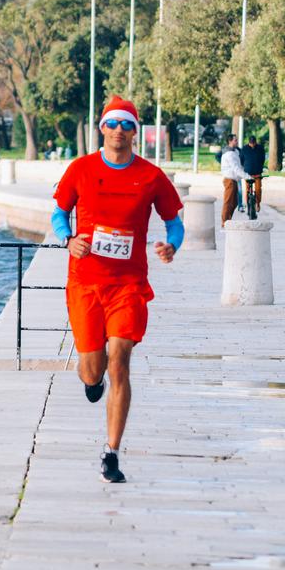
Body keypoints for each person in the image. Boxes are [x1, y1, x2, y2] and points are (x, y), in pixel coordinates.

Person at [51, 97, 183, 484]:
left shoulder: (152, 176)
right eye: (113, 124)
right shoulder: (81, 169)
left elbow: (174, 221)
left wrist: (171, 244)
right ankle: (93, 383)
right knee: (92, 368)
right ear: (102, 128)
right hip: (86, 282)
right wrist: (67, 238)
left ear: (135, 132)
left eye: (128, 125)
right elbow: (60, 211)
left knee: (119, 360)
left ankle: (111, 452)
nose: (120, 131)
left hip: (128, 284)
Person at [220, 134, 245, 223]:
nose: (237, 141)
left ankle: (228, 220)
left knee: (235, 202)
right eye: (235, 140)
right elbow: (236, 168)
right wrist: (246, 176)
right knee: (228, 202)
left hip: (234, 180)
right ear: (230, 141)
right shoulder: (229, 154)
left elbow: (239, 166)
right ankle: (224, 222)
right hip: (229, 180)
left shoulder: (235, 152)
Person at [241, 136, 266, 213]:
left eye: (254, 143)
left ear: (255, 142)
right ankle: (247, 204)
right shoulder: (244, 149)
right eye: (251, 143)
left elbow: (262, 159)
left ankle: (258, 203)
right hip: (248, 173)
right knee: (247, 189)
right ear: (249, 142)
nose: (252, 145)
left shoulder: (260, 148)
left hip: (257, 173)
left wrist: (259, 167)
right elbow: (241, 160)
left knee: (258, 189)